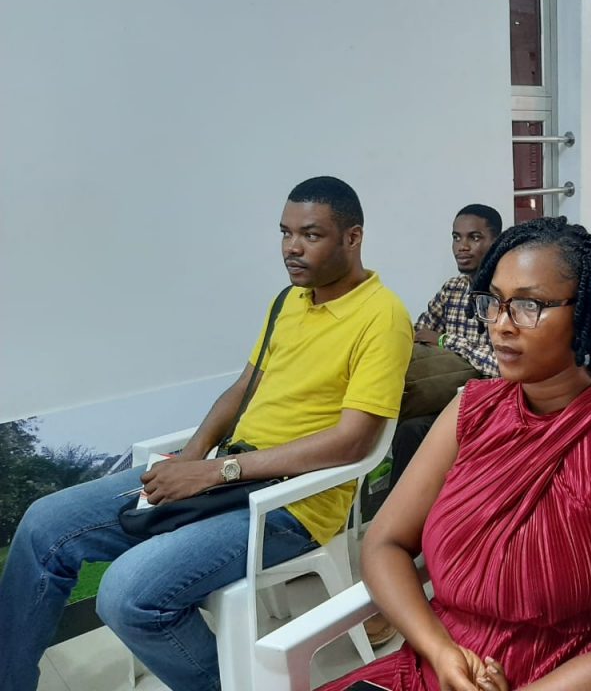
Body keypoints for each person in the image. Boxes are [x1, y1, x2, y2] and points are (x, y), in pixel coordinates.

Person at [0, 176, 413, 691]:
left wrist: (216, 471)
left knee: (126, 596)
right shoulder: (289, 301)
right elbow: (243, 388)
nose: (291, 247)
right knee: (44, 525)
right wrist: (190, 459)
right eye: (284, 233)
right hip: (230, 473)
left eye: (310, 235)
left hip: (293, 504)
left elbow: (354, 443)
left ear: (353, 237)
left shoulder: (383, 316)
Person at [326, 217, 591, 691]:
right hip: (432, 668)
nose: (501, 324)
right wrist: (440, 650)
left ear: (584, 311)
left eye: (527, 306)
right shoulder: (471, 411)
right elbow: (384, 544)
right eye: (494, 302)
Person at [393, 205, 502, 487]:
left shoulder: (504, 293)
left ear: (496, 242)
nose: (462, 247)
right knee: (400, 425)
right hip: (444, 393)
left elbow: (500, 365)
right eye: (456, 237)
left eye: (474, 237)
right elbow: (419, 333)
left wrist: (445, 341)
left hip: (489, 401)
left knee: (415, 431)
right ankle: (400, 507)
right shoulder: (452, 288)